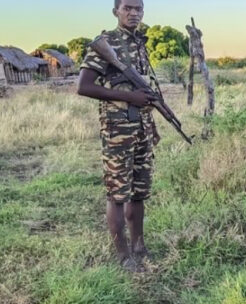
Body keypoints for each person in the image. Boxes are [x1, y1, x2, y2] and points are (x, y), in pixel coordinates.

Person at [77, 0, 159, 271]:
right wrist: (129, 97)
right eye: (128, 8)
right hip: (117, 132)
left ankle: (139, 245)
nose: (134, 13)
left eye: (139, 9)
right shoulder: (106, 42)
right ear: (116, 11)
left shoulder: (140, 43)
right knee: (117, 194)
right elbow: (84, 86)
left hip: (142, 128)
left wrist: (152, 123)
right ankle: (123, 255)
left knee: (139, 192)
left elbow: (144, 94)